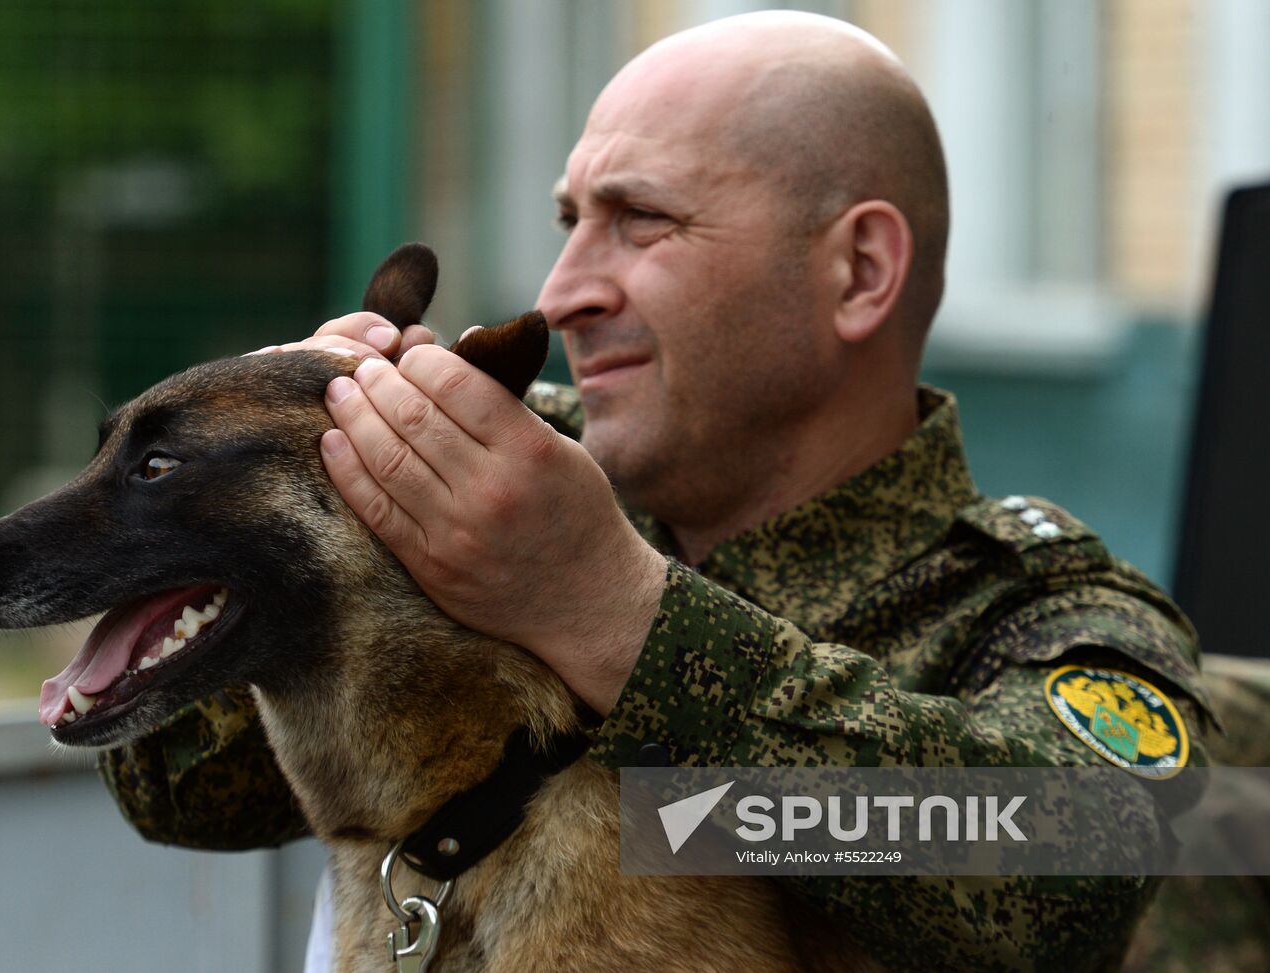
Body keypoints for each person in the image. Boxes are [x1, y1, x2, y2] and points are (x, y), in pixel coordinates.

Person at [99, 11, 1213, 971]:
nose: (561, 293)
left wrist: (607, 610)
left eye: (643, 221)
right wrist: (260, 493)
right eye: (569, 221)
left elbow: (1071, 881)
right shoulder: (501, 476)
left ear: (860, 271)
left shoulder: (1032, 611)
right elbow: (180, 792)